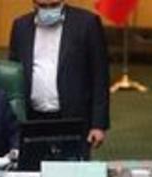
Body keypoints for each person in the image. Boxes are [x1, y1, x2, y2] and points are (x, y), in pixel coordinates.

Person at [9, 0, 110, 159]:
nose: (48, 10)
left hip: (73, 117)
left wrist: (98, 124)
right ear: (34, 4)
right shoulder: (21, 26)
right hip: (33, 118)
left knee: (72, 170)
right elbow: (14, 72)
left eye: (54, 5)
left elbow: (100, 76)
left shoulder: (87, 23)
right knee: (33, 168)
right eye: (43, 6)